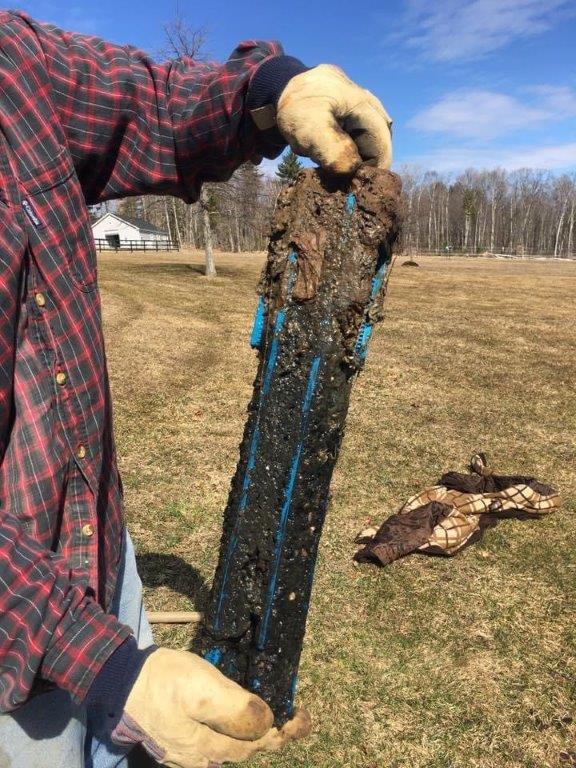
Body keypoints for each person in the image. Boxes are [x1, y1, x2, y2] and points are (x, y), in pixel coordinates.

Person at [0, 10, 393, 768]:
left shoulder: (13, 64)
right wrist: (103, 664)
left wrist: (272, 89)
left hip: (95, 556)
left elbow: (147, 105)